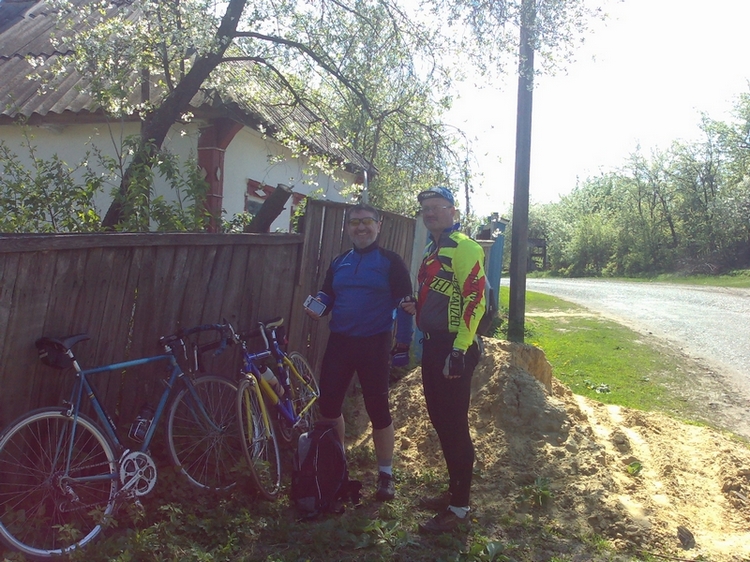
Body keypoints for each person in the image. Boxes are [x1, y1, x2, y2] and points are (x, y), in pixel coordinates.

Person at [304, 203, 413, 502]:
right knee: (328, 408)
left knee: (378, 410)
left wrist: (403, 344)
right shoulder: (339, 262)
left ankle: (386, 474)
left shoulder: (391, 262)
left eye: (367, 222)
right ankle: (338, 468)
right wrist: (317, 306)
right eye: (355, 222)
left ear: (378, 226)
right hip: (340, 342)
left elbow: (405, 304)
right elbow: (328, 295)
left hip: (374, 344)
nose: (361, 227)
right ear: (347, 228)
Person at [401, 186, 486, 533]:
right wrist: (417, 306)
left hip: (455, 348)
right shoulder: (431, 249)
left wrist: (459, 350)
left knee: (454, 425)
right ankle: (454, 493)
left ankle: (460, 508)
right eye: (426, 208)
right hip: (434, 345)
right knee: (440, 421)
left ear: (453, 212)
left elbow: (475, 300)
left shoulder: (465, 247)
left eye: (437, 207)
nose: (430, 213)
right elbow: (443, 295)